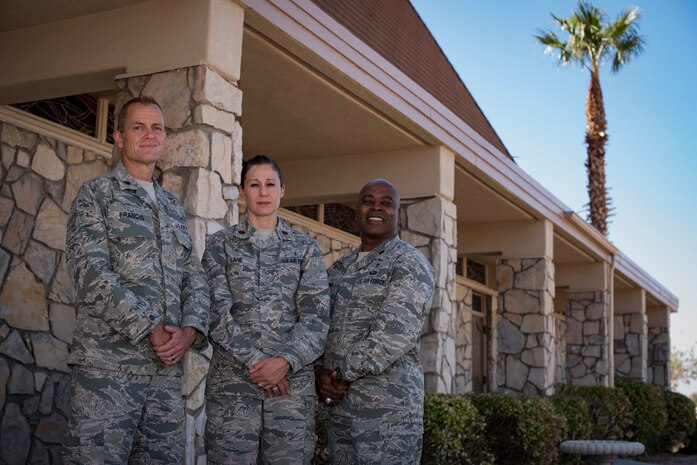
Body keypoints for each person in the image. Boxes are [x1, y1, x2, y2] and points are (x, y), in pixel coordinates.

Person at [62, 96, 210, 464]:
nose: (149, 135)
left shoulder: (172, 207)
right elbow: (91, 274)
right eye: (138, 127)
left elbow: (194, 276)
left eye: (156, 127)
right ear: (118, 136)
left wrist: (190, 330)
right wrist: (151, 328)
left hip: (162, 377)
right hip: (108, 370)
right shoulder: (96, 195)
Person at [203, 155, 330, 465]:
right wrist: (260, 362)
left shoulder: (304, 248)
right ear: (242, 190)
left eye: (270, 184)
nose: (263, 192)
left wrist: (285, 361)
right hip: (233, 388)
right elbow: (214, 313)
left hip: (290, 393)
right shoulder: (220, 245)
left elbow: (317, 318)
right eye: (254, 185)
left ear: (282, 190)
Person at [316, 179, 435, 465]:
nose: (376, 207)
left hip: (387, 418)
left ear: (398, 215)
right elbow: (319, 326)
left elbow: (394, 334)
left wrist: (338, 375)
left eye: (386, 202)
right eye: (368, 201)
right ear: (357, 211)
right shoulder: (339, 269)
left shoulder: (408, 262)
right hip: (341, 411)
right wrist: (319, 374)